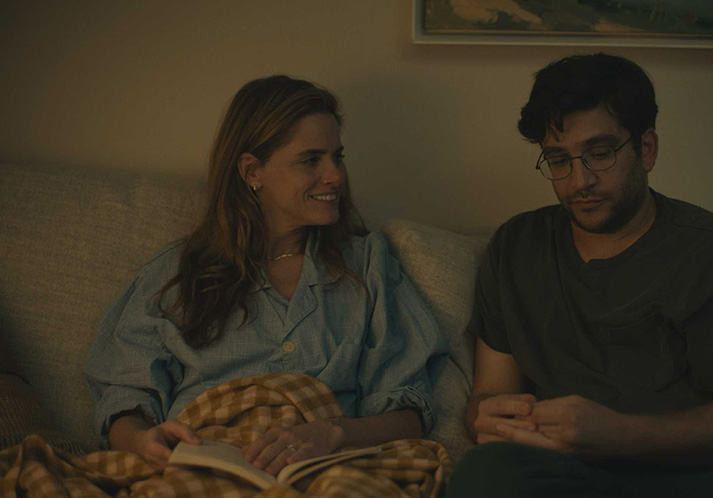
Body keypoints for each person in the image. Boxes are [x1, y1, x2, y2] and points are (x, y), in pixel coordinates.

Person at [448, 54, 713, 498]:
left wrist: (615, 433)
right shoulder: (515, 247)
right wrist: (488, 417)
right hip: (575, 479)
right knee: (482, 477)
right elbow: (490, 393)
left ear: (646, 149)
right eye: (559, 159)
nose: (579, 180)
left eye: (600, 152)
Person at [84, 76, 447, 476]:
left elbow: (409, 413)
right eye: (311, 160)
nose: (336, 176)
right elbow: (125, 398)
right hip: (202, 466)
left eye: (337, 157)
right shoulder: (177, 274)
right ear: (252, 171)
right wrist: (140, 440)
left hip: (321, 471)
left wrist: (334, 432)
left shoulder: (368, 267)